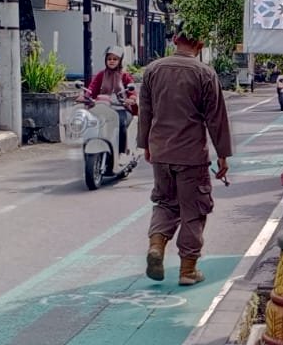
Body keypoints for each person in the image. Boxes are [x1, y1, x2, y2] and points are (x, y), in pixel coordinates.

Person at [137, 24, 234, 287]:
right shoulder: (204, 73)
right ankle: (187, 270)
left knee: (165, 202)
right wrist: (223, 155)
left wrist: (146, 144)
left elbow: (145, 111)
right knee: (193, 209)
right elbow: (216, 119)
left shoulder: (153, 70)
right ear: (200, 44)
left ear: (176, 39)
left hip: (161, 151)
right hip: (191, 155)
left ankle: (156, 245)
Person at [83, 44, 136, 152]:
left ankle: (122, 152)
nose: (111, 61)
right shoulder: (101, 75)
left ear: (120, 61)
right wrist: (85, 96)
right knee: (91, 122)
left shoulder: (124, 76)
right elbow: (92, 88)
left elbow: (132, 90)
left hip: (121, 109)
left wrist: (131, 98)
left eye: (115, 59)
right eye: (109, 59)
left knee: (121, 123)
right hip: (103, 107)